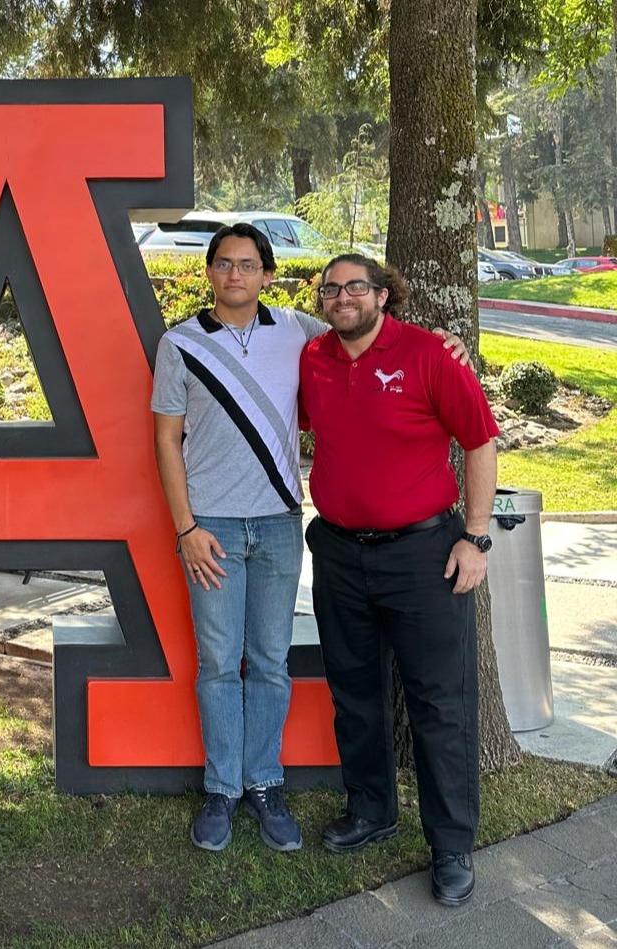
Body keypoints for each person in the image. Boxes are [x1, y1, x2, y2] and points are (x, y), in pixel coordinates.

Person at [152, 225, 468, 855]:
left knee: (270, 662)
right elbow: (166, 438)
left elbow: (369, 333)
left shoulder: (299, 331)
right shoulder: (179, 343)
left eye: (248, 264)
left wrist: (440, 342)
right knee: (219, 663)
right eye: (224, 264)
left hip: (278, 523)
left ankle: (265, 784)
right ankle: (222, 789)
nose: (235, 275)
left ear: (267, 275)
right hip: (211, 527)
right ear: (208, 271)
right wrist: (185, 527)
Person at [300, 253, 498, 907]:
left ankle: (451, 846)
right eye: (331, 288)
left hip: (424, 556)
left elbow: (479, 441)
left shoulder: (430, 355)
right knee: (355, 692)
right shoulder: (314, 358)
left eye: (355, 286)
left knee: (440, 702)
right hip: (338, 553)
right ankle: (371, 810)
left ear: (383, 295)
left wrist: (475, 536)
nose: (342, 297)